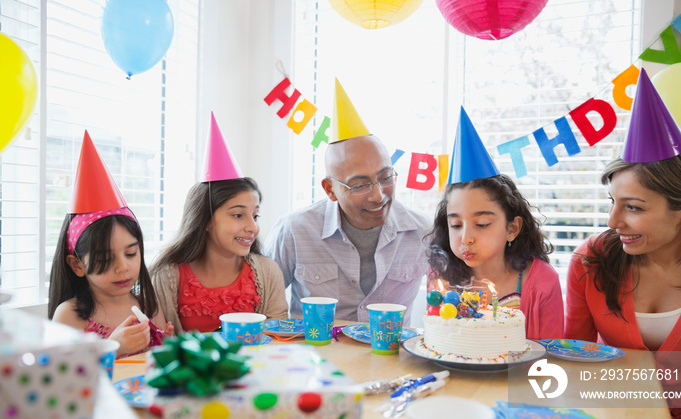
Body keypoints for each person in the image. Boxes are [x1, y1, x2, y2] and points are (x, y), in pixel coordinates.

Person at [565, 69, 681, 419]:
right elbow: (574, 359)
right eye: (613, 201)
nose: (613, 221)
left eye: (634, 208)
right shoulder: (591, 259)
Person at [264, 79, 429, 322]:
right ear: (330, 189)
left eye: (385, 177)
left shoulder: (425, 232)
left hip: (395, 359)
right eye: (360, 184)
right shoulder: (294, 231)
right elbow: (264, 308)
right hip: (314, 357)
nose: (378, 195)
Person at [426, 107, 563, 339]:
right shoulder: (442, 275)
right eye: (456, 225)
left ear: (512, 228)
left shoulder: (541, 281)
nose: (466, 238)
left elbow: (550, 353)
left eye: (481, 224)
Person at [150, 113, 288, 334]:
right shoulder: (166, 276)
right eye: (237, 215)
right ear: (204, 219)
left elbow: (278, 338)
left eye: (255, 215)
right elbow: (156, 345)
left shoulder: (267, 272)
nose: (252, 227)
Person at [49, 131, 171, 357]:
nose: (122, 267)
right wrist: (110, 349)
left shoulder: (147, 305)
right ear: (77, 265)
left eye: (131, 253)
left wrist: (168, 345)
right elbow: (63, 380)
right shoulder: (70, 315)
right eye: (105, 258)